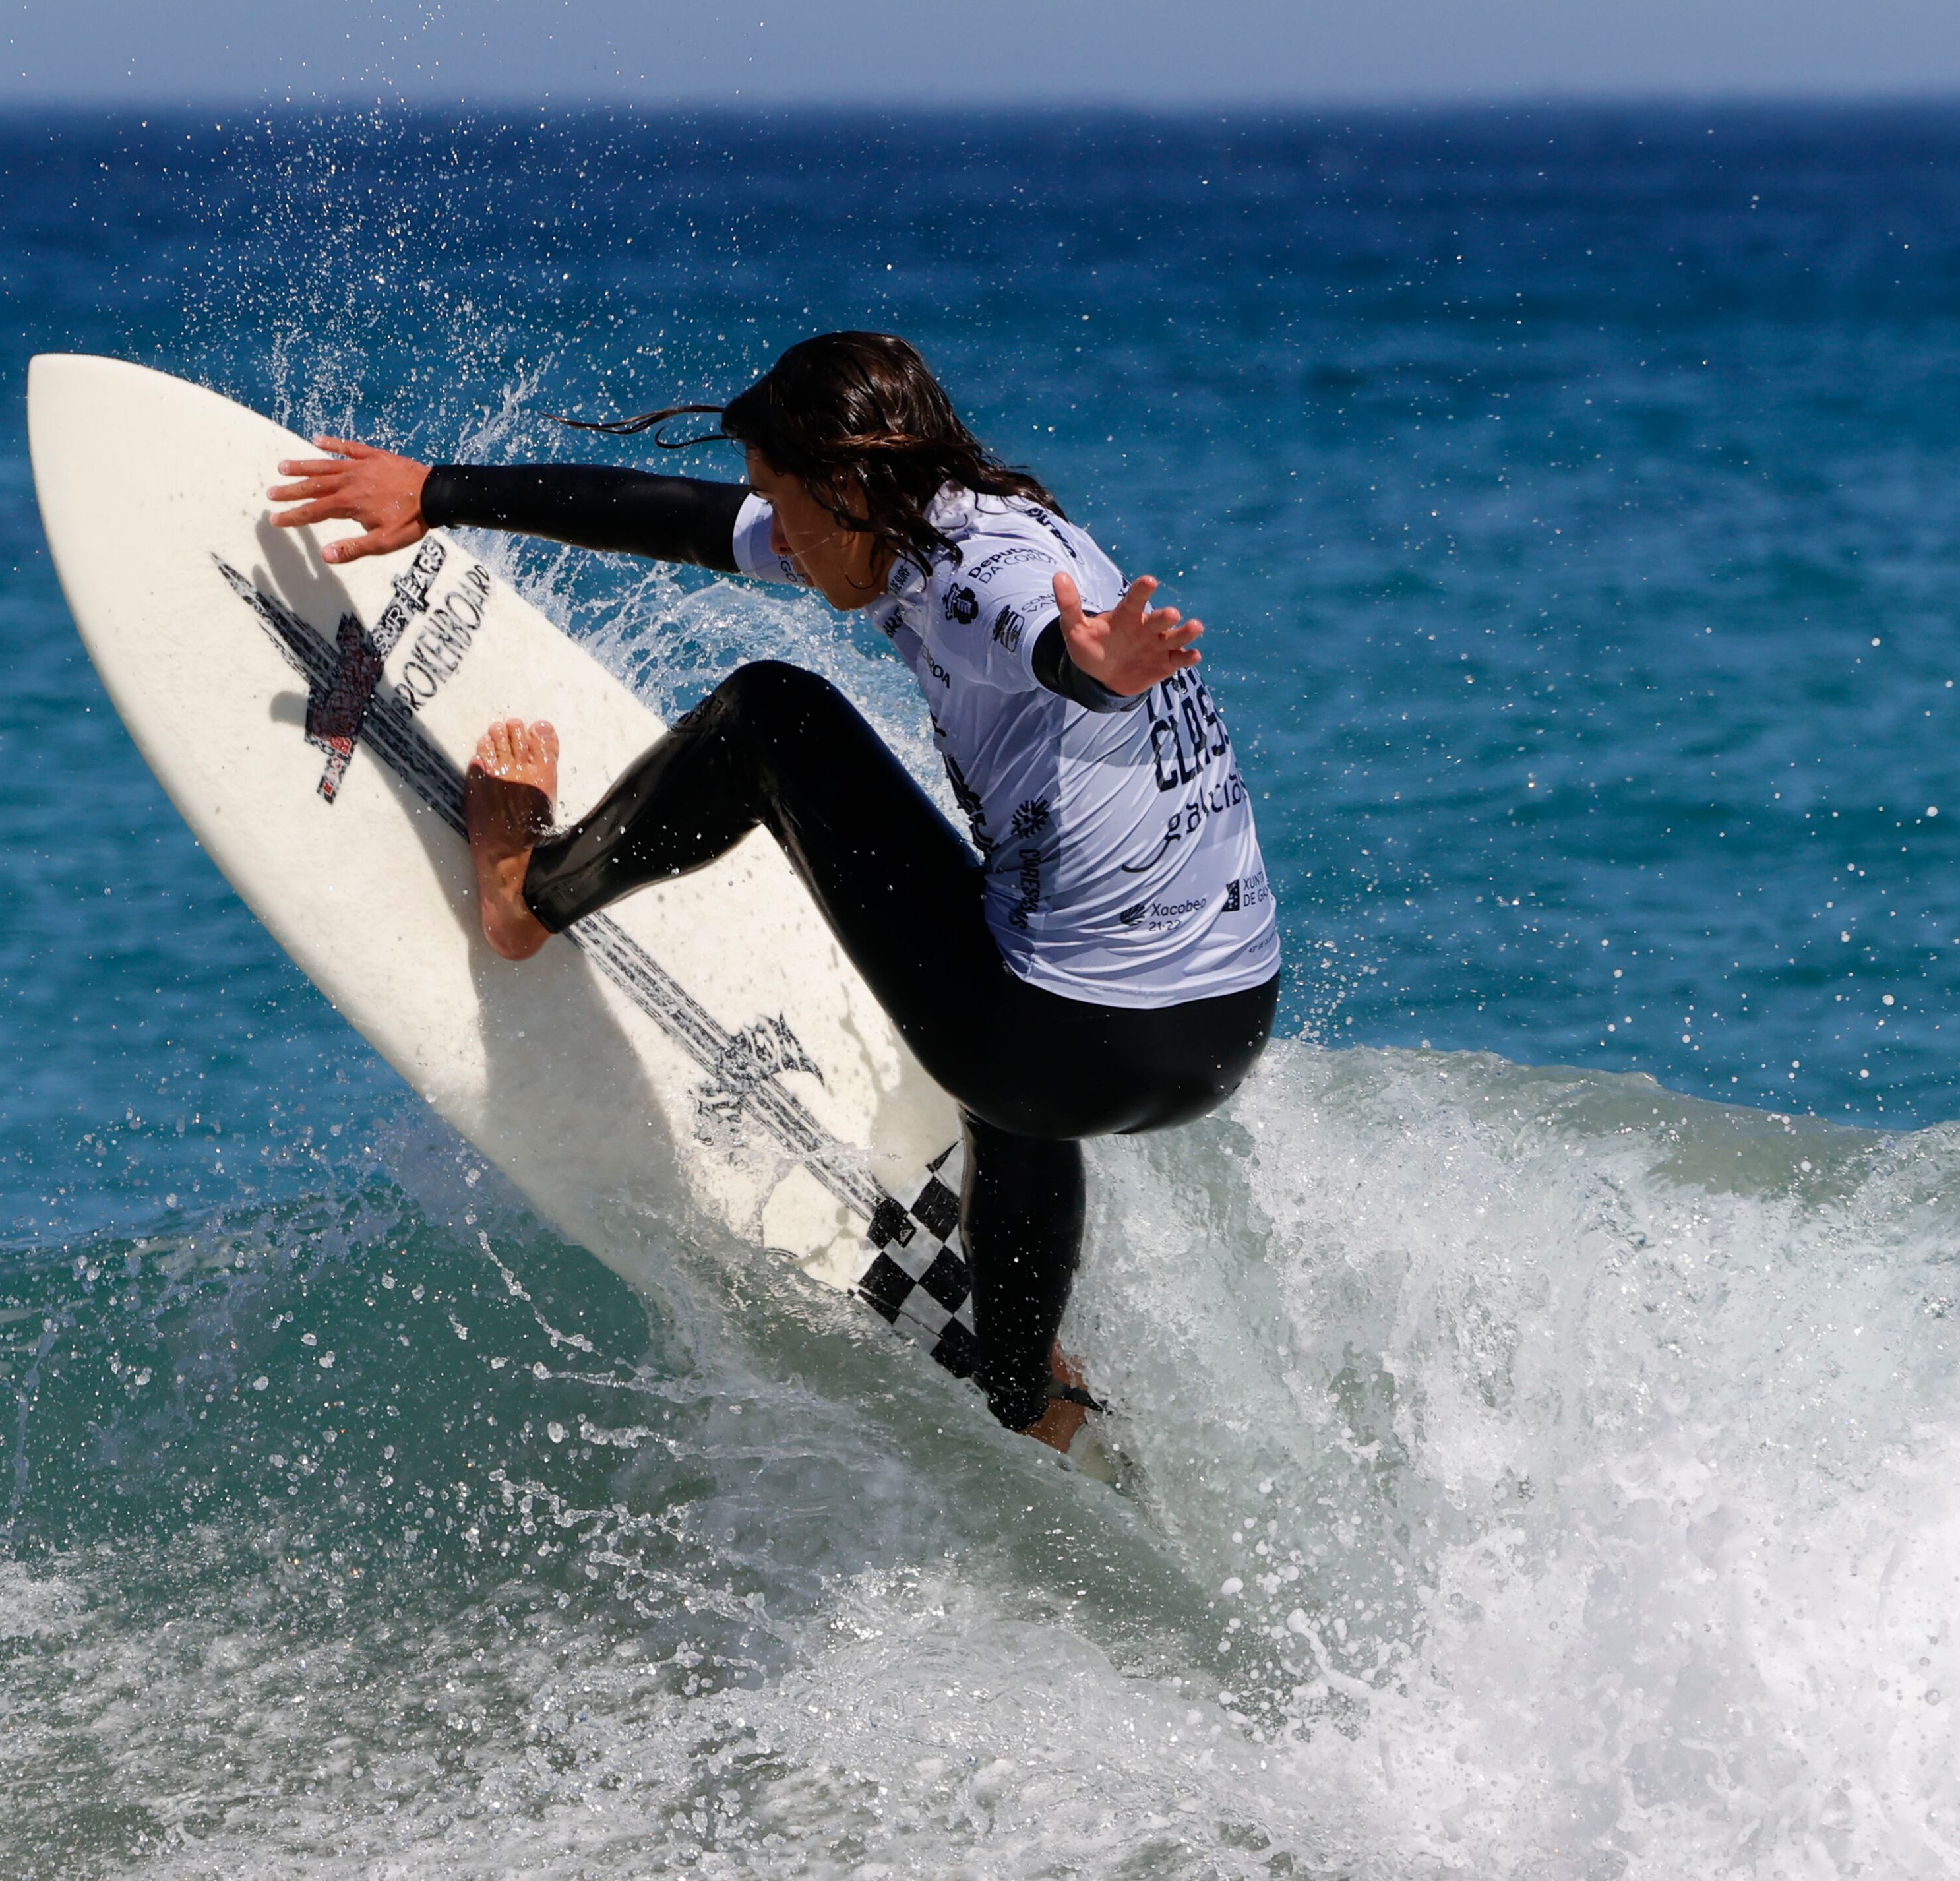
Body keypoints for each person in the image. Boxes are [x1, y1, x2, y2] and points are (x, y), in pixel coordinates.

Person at [266, 332, 1278, 1456]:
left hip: (1068, 1046)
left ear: (844, 487)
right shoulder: (930, 518)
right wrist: (439, 494)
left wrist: (1084, 665)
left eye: (781, 502)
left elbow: (1031, 636)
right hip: (1225, 1027)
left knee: (771, 717)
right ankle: (1024, 1391)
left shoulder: (970, 578)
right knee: (1019, 971)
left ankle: (529, 898)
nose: (774, 535)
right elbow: (683, 522)